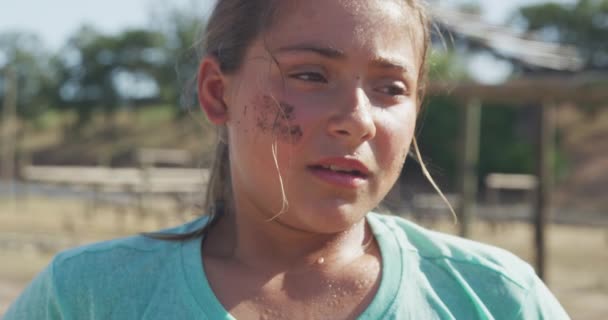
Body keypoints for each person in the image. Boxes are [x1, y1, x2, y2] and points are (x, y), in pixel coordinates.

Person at [5, 0, 570, 319]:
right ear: (217, 93)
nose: (358, 118)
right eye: (309, 75)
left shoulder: (493, 298)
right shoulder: (90, 296)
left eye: (391, 88)